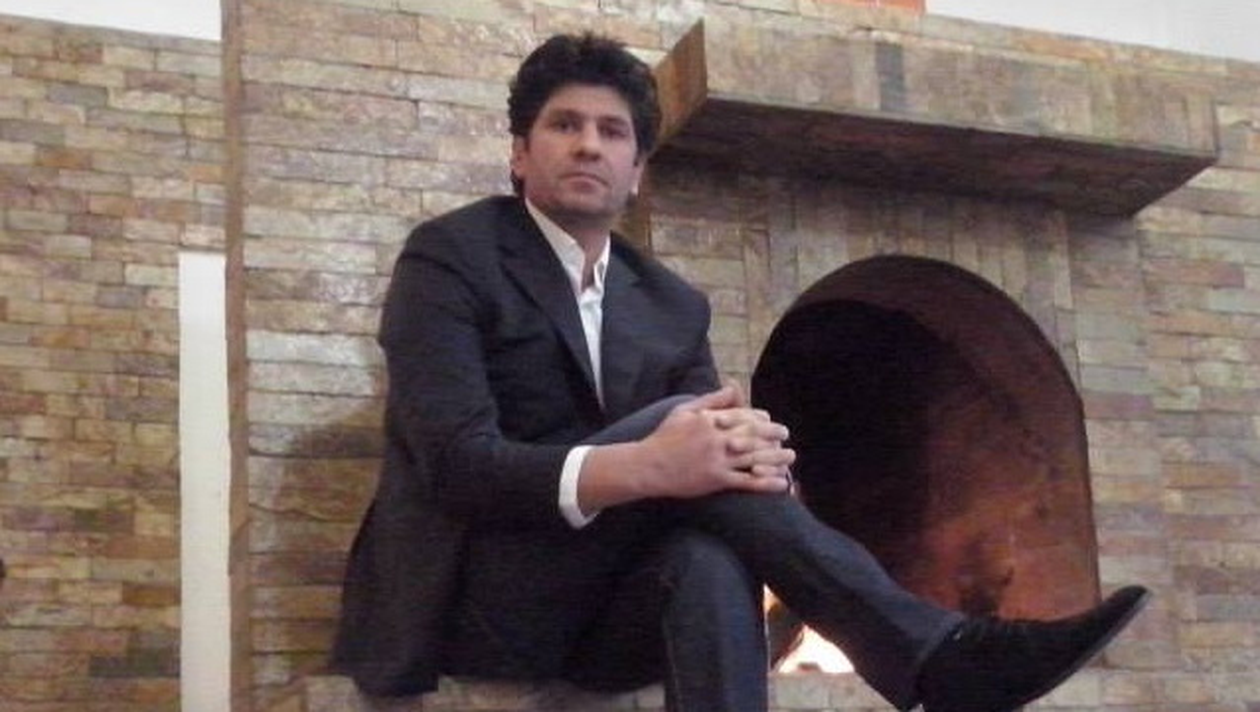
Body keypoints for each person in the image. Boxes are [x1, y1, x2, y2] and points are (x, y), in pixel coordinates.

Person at [332, 32, 1149, 712]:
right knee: (682, 432)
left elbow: (718, 455)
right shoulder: (451, 258)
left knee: (708, 556)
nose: (588, 144)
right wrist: (651, 464)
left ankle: (938, 657)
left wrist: (761, 467)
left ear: (637, 170)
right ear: (520, 153)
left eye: (613, 132)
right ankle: (938, 655)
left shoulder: (671, 303)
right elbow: (456, 465)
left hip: (609, 622)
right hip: (479, 605)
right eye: (564, 125)